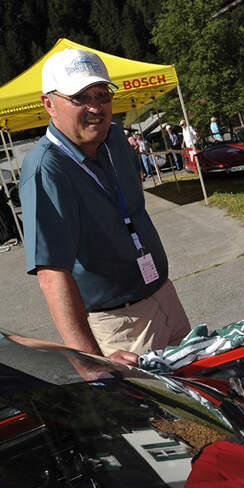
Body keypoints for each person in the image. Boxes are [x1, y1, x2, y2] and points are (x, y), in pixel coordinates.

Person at [19, 48, 190, 365]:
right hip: (121, 325)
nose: (95, 107)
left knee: (202, 388)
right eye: (80, 98)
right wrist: (90, 361)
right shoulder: (46, 169)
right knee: (160, 414)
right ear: (48, 104)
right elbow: (51, 274)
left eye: (102, 95)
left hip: (164, 296)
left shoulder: (114, 139)